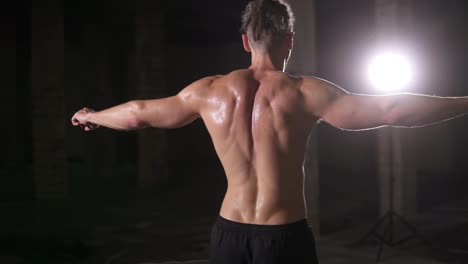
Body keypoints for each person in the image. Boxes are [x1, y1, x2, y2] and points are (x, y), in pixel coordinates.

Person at [71, 0, 468, 263]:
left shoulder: (208, 92)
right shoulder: (305, 93)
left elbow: (139, 113)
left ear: (245, 41)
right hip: (284, 238)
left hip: (228, 236)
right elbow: (391, 109)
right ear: (290, 41)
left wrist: (93, 115)